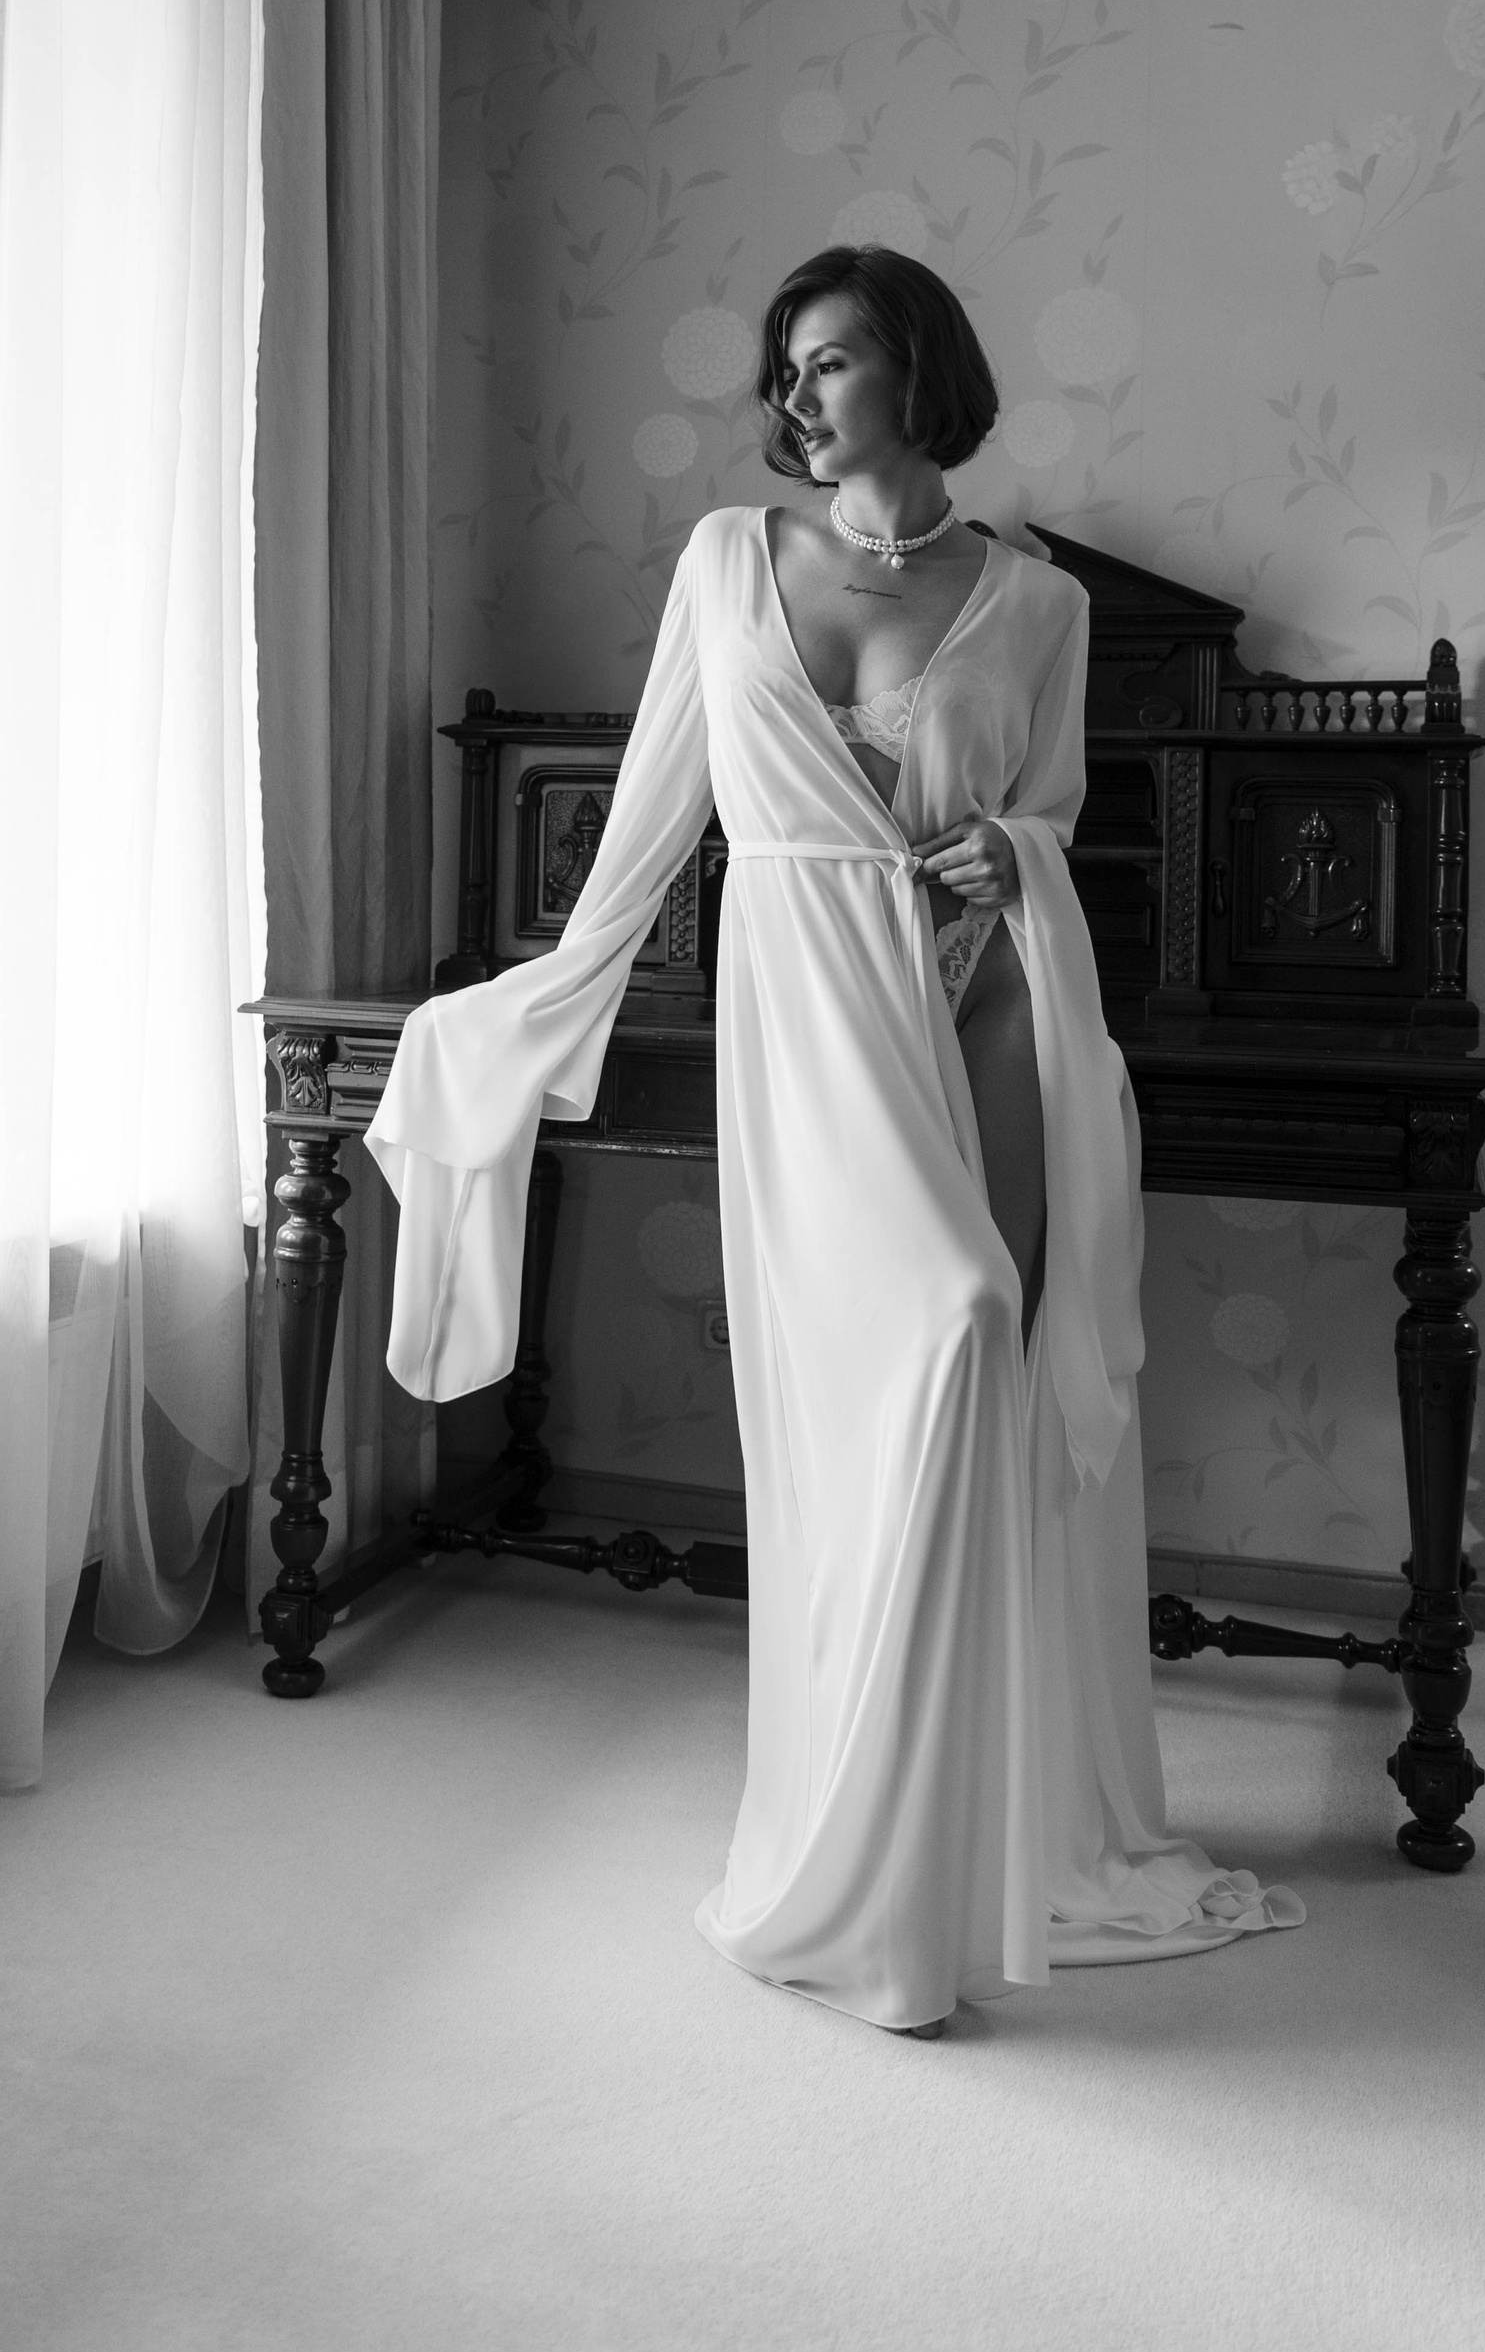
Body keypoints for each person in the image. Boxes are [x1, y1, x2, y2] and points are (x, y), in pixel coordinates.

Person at [367, 246, 1301, 2034]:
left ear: (918, 373)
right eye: (786, 369)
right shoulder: (729, 562)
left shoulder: (1040, 606)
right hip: (800, 1020)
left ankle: (941, 1852)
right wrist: (533, 996)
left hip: (976, 1013)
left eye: (834, 361)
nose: (795, 396)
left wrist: (1006, 855)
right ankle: (857, 1872)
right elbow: (652, 817)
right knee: (929, 1349)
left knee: (983, 1359)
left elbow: (1046, 815)